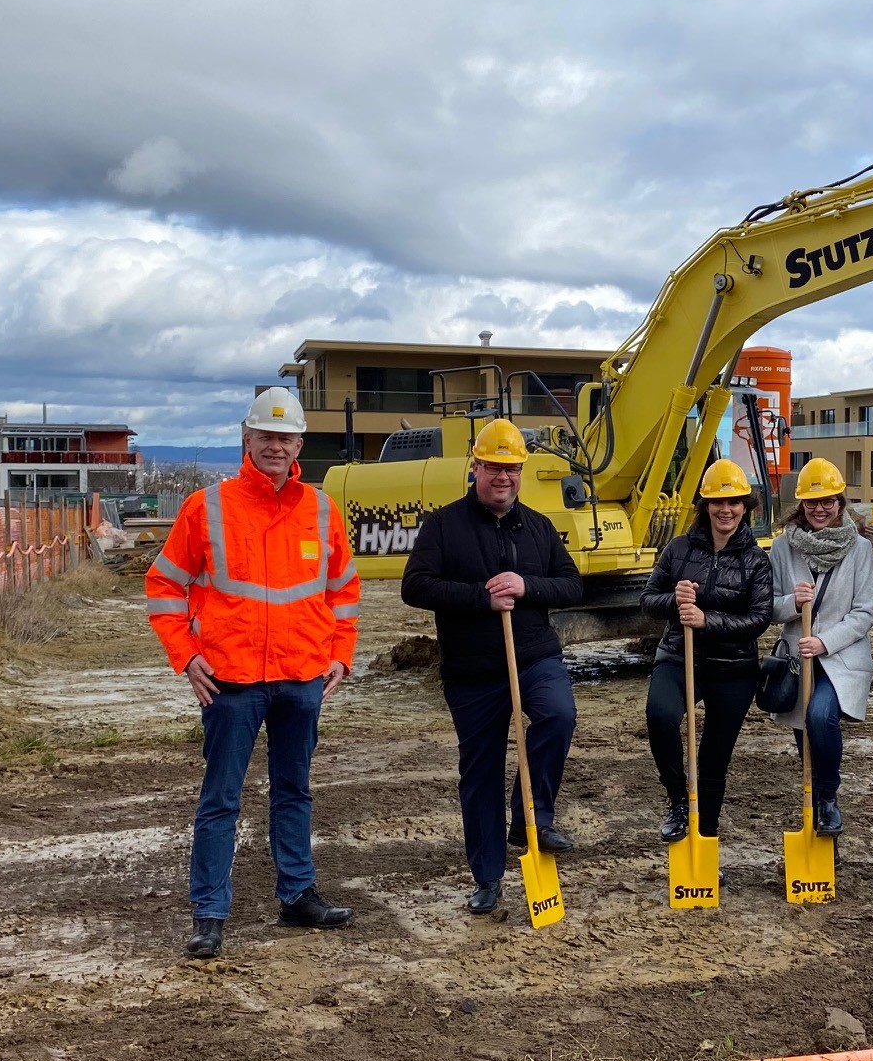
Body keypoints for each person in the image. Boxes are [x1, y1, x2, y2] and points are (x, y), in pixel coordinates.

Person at [146, 386, 361, 959]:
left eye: (285, 437)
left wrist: (341, 653)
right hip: (231, 680)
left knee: (295, 792)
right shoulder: (207, 506)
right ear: (246, 439)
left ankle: (297, 897)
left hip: (301, 678)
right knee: (221, 799)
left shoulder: (320, 508)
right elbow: (164, 584)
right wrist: (186, 656)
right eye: (265, 436)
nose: (275, 446)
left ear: (298, 444)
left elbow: (343, 589)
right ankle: (209, 914)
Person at [401, 419, 583, 915]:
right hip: (473, 670)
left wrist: (526, 587)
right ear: (475, 468)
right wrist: (481, 597)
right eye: (494, 468)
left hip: (533, 657)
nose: (503, 477)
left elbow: (571, 585)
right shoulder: (444, 526)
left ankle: (533, 818)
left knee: (558, 716)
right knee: (480, 773)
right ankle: (487, 877)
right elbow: (415, 586)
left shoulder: (539, 526)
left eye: (512, 469)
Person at [641, 458, 773, 842]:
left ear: (746, 508)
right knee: (660, 716)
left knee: (715, 760)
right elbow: (648, 600)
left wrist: (707, 620)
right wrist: (673, 600)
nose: (725, 510)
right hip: (680, 658)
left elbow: (760, 618)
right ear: (705, 505)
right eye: (717, 502)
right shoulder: (678, 549)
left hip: (733, 669)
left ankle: (706, 837)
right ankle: (678, 800)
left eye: (734, 503)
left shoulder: (756, 560)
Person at [766, 457, 873, 835]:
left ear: (840, 502)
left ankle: (829, 797)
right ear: (801, 505)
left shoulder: (860, 549)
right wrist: (792, 604)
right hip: (798, 660)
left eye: (828, 501)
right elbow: (768, 607)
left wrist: (824, 642)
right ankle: (818, 807)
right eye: (812, 503)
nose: (820, 509)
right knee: (804, 735)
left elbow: (864, 613)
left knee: (819, 717)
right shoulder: (783, 548)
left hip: (840, 657)